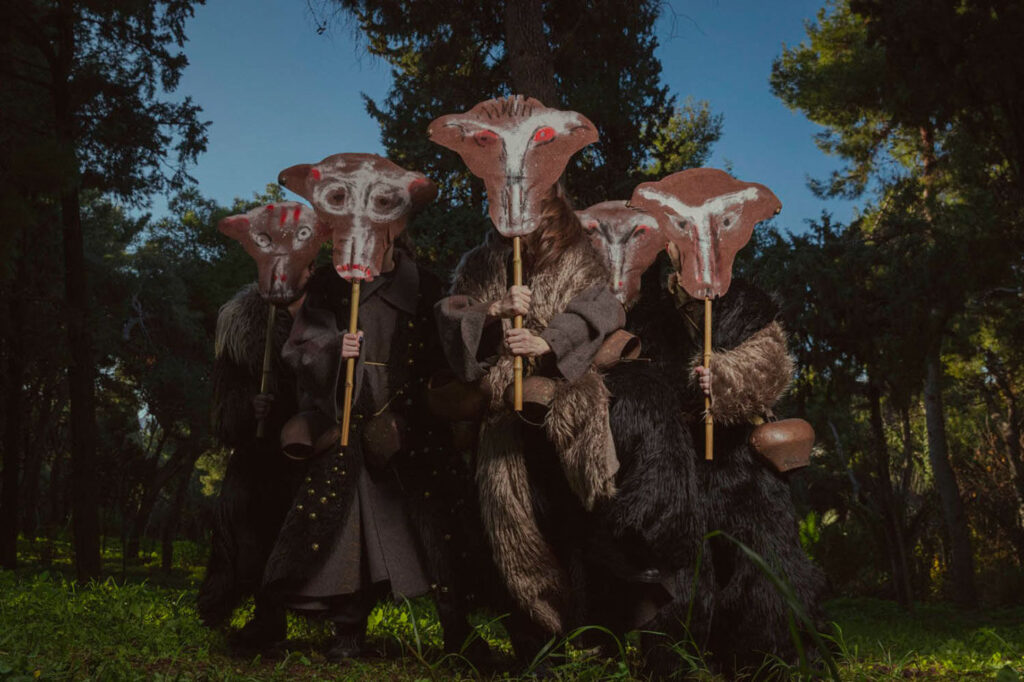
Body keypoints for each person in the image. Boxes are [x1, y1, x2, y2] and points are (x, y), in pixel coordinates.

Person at [435, 183, 625, 661]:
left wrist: (548, 341)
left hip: (566, 398)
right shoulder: (480, 261)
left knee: (576, 515)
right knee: (513, 520)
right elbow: (451, 316)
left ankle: (594, 632)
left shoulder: (579, 255)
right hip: (503, 408)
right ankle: (536, 639)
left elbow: (603, 305)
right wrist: (493, 313)